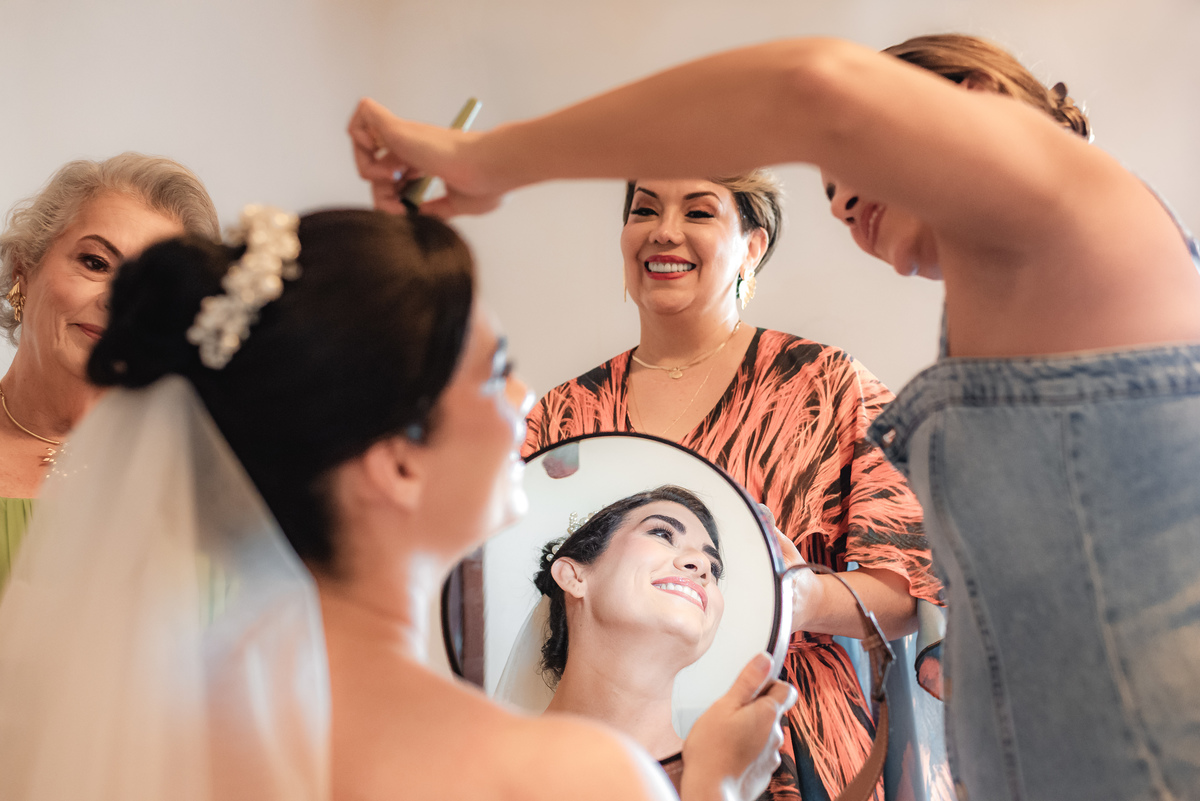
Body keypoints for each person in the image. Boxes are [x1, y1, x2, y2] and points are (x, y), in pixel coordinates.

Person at [348, 32, 1200, 801]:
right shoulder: (1006, 303)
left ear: (972, 101)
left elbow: (810, 88)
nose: (838, 205)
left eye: (851, 161)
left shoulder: (1062, 212)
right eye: (642, 206)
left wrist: (487, 159)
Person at [0, 206, 795, 801]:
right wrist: (717, 784)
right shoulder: (568, 778)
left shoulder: (148, 732)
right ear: (397, 464)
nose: (524, 400)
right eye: (495, 372)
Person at [520, 171, 941, 801]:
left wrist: (799, 602)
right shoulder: (562, 415)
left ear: (751, 246)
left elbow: (911, 590)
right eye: (644, 211)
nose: (664, 232)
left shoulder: (826, 386)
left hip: (790, 739)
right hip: (604, 761)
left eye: (697, 213)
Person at [0, 152, 218, 592]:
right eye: (96, 263)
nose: (116, 301)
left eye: (149, 288)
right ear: (25, 268)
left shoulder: (197, 474)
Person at [529, 485, 725, 785]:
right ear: (574, 576)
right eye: (662, 534)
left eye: (714, 567)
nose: (701, 566)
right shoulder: (473, 772)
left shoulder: (742, 786)